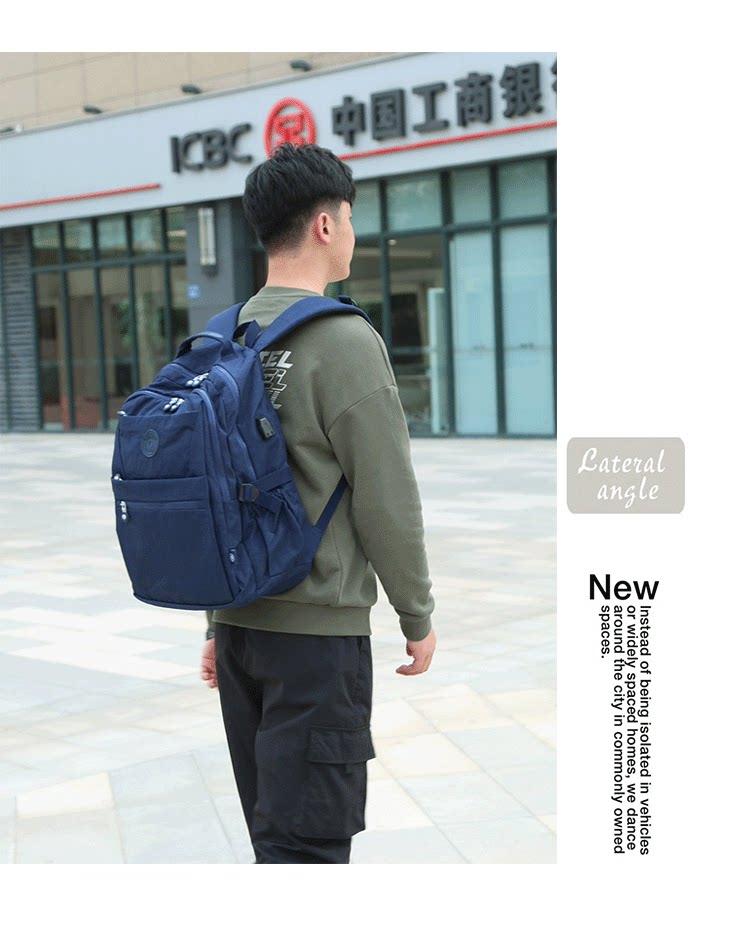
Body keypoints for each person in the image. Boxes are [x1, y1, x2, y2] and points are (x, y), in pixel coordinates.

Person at [199, 142, 436, 864]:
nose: (353, 233)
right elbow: (387, 496)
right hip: (316, 638)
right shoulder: (343, 340)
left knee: (275, 840)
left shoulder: (224, 336)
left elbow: (215, 491)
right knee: (310, 850)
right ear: (326, 225)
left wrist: (214, 622)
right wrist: (417, 615)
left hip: (238, 632)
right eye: (351, 218)